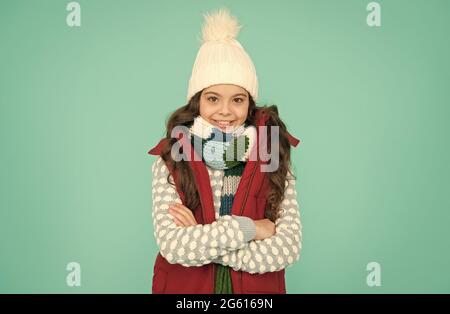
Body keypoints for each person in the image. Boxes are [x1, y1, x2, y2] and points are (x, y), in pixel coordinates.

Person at [147, 8, 302, 294]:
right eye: (213, 98)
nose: (226, 111)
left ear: (249, 104)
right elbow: (174, 246)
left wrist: (200, 238)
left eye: (238, 99)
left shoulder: (273, 157)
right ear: (197, 101)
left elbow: (288, 248)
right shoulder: (171, 159)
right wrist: (253, 229)